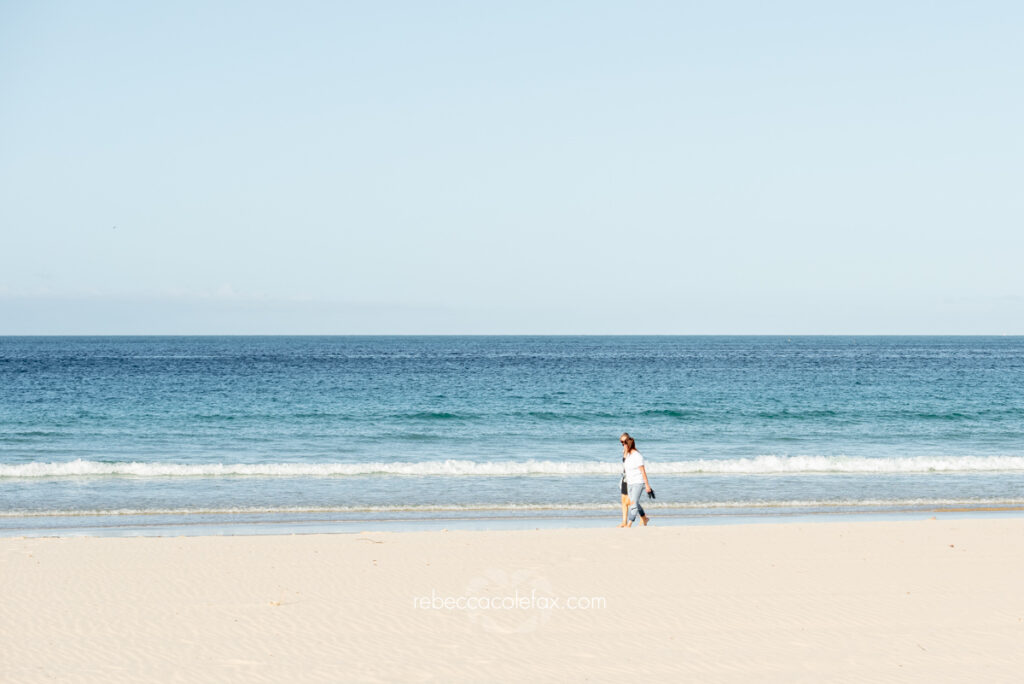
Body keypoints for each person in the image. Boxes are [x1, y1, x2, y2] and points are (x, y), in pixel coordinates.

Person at [620, 433, 652, 527]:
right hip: (629, 481)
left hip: (638, 482)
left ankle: (630, 523)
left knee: (633, 503)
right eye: (621, 443)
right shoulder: (628, 455)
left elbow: (643, 471)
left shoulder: (637, 456)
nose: (623, 444)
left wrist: (647, 485)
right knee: (634, 502)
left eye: (624, 442)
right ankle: (644, 518)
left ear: (629, 443)